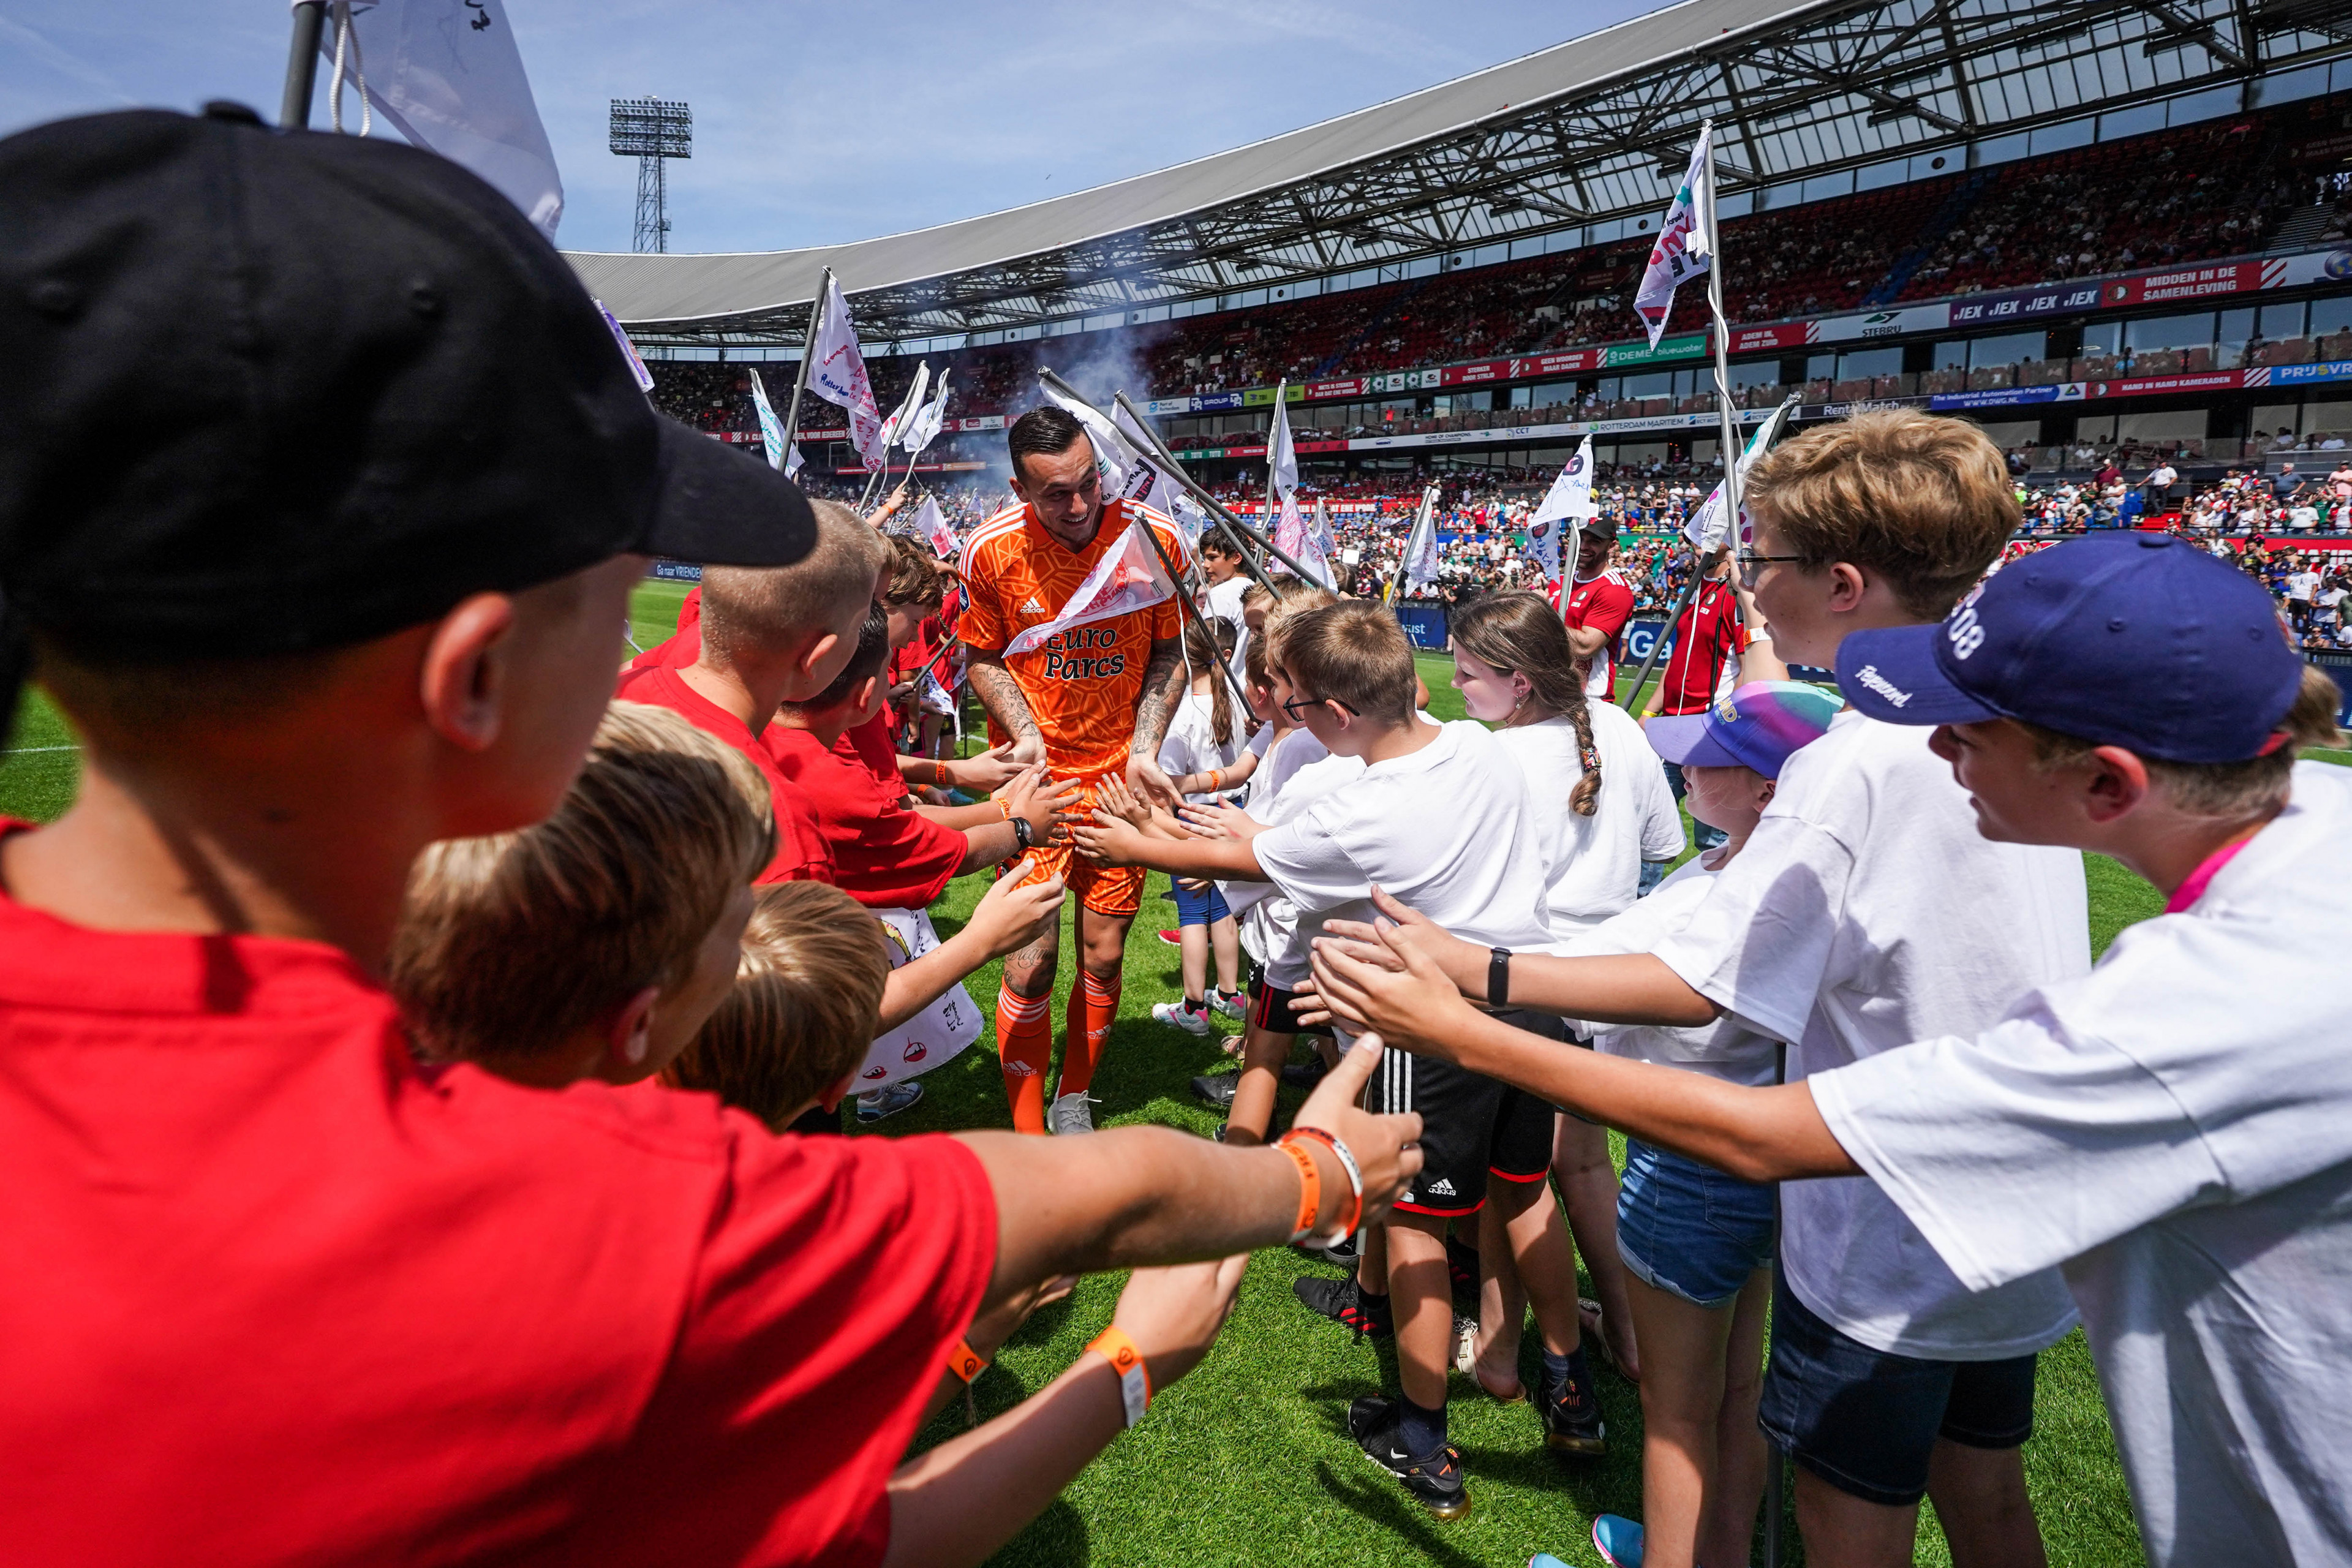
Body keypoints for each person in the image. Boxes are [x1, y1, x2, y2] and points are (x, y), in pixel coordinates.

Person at [0, 107, 1427, 1568]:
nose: (666, 644)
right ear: (472, 682)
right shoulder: (593, 1229)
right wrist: (1291, 1195)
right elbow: (1076, 1206)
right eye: (627, 580)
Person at [1313, 534, 2351, 1568]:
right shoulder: (2305, 823)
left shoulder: (2194, 1009)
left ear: (2111, 783)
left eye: (1965, 732)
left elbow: (1766, 1137)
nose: (1934, 754)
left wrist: (1460, 1024)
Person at [1310, 410, 2092, 1568]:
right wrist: (1472, 962)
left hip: (1889, 1229)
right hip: (2006, 1211)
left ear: (1838, 581)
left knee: (1844, 1521)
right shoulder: (1995, 722)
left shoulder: (1859, 756)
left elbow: (1696, 982)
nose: (1742, 584)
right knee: (1985, 1497)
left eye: (1758, 559)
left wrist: (1465, 985)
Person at [1077, 601, 1592, 1521]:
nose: (1292, 717)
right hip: (1530, 1002)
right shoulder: (1476, 745)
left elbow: (1239, 859)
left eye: (1301, 703)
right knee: (1526, 1192)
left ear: (1340, 714)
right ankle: (1571, 1380)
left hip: (1430, 1029)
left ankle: (1423, 1435)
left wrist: (1130, 841)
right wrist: (1188, 818)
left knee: (1412, 1226)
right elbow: (1253, 838)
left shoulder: (1362, 813)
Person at [1570, 682, 1841, 1568]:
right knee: (1735, 1382)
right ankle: (1720, 1551)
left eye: (1711, 755)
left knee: (1677, 1416)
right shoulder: (1766, 869)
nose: (1684, 761)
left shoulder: (1718, 895)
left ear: (1770, 790)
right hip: (1758, 1155)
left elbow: (1576, 975)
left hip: (1687, 1161)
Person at [959, 407, 1191, 1134]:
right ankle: (1028, 1130)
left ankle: (1073, 1097)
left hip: (1121, 785)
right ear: (1020, 489)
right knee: (1027, 961)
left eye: (1090, 481)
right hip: (1037, 787)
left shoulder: (1155, 539)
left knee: (1105, 952)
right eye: (1057, 492)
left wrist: (1147, 748)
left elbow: (1171, 652)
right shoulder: (990, 552)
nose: (1081, 504)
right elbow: (981, 654)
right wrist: (1025, 734)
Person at [762, 605, 1074, 1122]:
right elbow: (925, 850)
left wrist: (964, 781)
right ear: (867, 695)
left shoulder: (755, 728)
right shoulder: (833, 781)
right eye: (889, 674)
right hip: (773, 1068)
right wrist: (1018, 830)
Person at [1150, 613, 1249, 1034]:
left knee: (1192, 913)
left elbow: (1167, 781)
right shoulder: (1243, 701)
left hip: (1192, 814)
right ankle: (1230, 994)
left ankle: (1194, 1007)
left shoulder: (1183, 712)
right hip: (1235, 812)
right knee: (1224, 906)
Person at [1561, 516, 1637, 701]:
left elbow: (1585, 647)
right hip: (1553, 690)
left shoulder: (1614, 590)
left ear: (1611, 546)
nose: (1584, 547)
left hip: (1589, 698)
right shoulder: (1563, 581)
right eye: (1580, 539)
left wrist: (1537, 616)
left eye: (1594, 541)